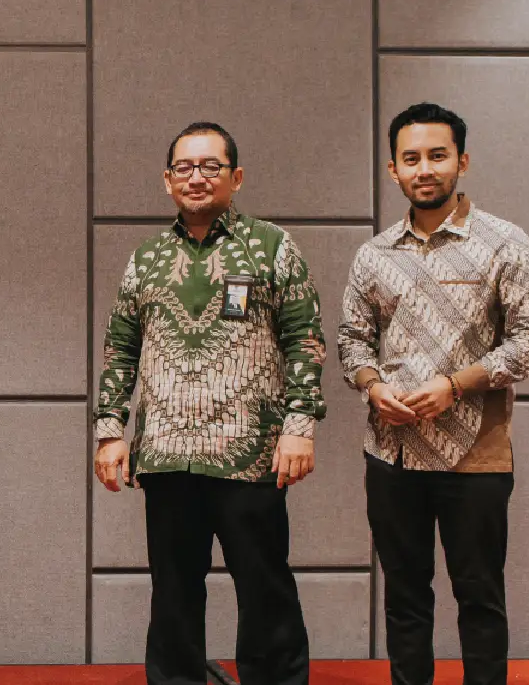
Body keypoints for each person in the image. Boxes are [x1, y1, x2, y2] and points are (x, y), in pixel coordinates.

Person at [93, 122, 325, 685]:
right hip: (167, 455)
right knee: (172, 592)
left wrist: (300, 426)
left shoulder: (271, 246)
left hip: (250, 453)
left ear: (236, 176)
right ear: (167, 180)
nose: (197, 178)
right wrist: (108, 430)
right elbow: (121, 347)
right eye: (184, 168)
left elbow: (305, 338)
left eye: (211, 167)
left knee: (264, 585)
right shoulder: (145, 258)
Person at [338, 103, 529, 685]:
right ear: (393, 169)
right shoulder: (374, 254)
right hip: (392, 453)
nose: (424, 168)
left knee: (479, 596)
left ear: (462, 160)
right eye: (411, 158)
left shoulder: (504, 242)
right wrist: (373, 385)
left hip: (476, 454)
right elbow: (352, 342)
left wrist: (455, 385)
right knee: (405, 599)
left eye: (437, 155)